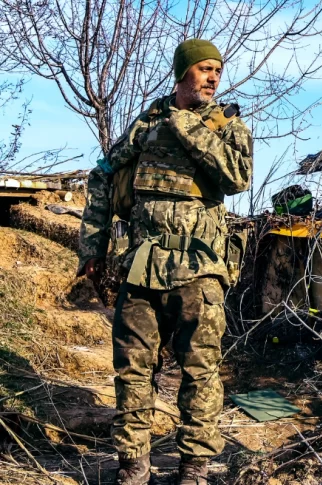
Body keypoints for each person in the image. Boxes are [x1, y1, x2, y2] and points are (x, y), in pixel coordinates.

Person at [78, 39, 253, 484]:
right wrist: (93, 249)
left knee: (200, 373)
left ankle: (193, 469)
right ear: (182, 74)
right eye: (204, 69)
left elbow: (237, 178)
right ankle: (133, 465)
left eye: (218, 70)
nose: (213, 77)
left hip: (200, 268)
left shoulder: (227, 124)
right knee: (132, 369)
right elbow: (102, 175)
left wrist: (186, 124)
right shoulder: (147, 122)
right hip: (142, 266)